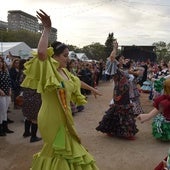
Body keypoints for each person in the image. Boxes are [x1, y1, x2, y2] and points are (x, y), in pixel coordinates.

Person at [21, 9, 101, 170]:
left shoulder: (65, 72)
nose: (68, 58)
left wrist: (92, 88)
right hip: (50, 118)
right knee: (58, 151)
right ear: (55, 56)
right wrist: (47, 29)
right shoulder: (47, 70)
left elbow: (77, 82)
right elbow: (42, 53)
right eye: (65, 55)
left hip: (64, 118)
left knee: (65, 150)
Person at [96, 41, 138, 140]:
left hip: (124, 93)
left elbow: (131, 76)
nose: (124, 60)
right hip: (119, 93)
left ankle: (114, 130)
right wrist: (115, 48)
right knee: (120, 110)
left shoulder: (122, 70)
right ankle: (123, 132)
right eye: (122, 58)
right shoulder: (114, 68)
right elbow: (111, 58)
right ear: (117, 60)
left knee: (119, 110)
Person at [0, 56, 14, 136]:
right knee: (1, 111)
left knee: (4, 111)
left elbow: (9, 81)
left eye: (1, 61)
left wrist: (10, 90)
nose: (0, 63)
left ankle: (5, 127)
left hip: (7, 93)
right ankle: (1, 128)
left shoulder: (5, 71)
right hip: (1, 94)